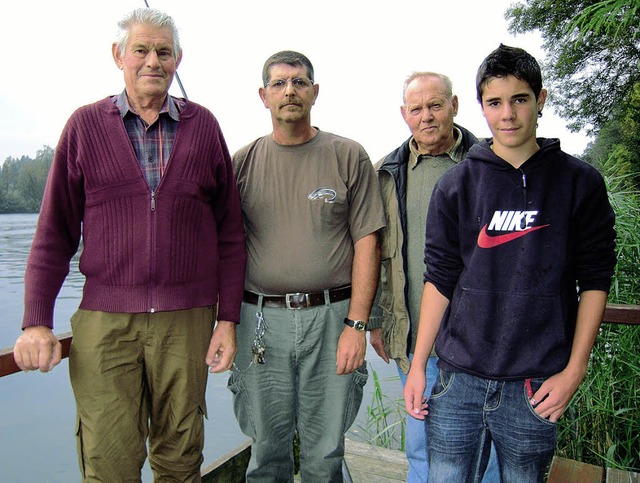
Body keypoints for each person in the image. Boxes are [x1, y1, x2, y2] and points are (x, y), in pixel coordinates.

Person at [13, 8, 246, 481]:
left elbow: (231, 234)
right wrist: (36, 321)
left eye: (163, 51)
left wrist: (227, 319)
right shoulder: (84, 126)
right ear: (118, 55)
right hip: (105, 325)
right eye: (141, 49)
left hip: (187, 322)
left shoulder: (204, 127)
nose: (152, 61)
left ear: (179, 59)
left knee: (180, 461)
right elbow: (54, 234)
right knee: (110, 462)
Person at [404, 44, 617, 482]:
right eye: (495, 102)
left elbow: (595, 280)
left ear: (540, 99)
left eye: (520, 99)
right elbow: (439, 279)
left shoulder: (581, 183)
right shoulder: (456, 186)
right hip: (456, 379)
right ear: (480, 107)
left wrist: (574, 371)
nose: (508, 114)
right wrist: (417, 368)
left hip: (535, 384)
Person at [228, 50, 386, 481]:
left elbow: (367, 243)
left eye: (299, 82)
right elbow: (223, 248)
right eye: (278, 83)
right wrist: (223, 321)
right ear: (263, 96)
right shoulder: (240, 164)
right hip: (259, 320)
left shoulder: (348, 155)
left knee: (325, 452)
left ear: (315, 92)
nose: (289, 91)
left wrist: (357, 324)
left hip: (333, 319)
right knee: (266, 450)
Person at [369, 72, 500, 482]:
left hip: (483, 339)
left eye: (436, 105)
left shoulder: (492, 163)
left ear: (455, 106)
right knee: (421, 445)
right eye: (416, 108)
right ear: (404, 114)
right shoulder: (386, 173)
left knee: (488, 450)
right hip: (414, 336)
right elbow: (373, 251)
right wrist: (375, 319)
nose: (426, 116)